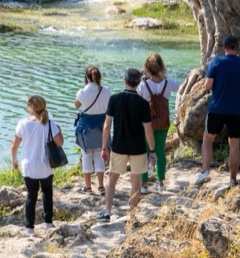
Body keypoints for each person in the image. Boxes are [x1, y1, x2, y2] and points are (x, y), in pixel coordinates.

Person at [194, 35, 240, 187]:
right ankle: (232, 180)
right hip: (236, 111)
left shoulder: (216, 62)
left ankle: (205, 171)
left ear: (224, 47)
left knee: (208, 139)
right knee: (234, 144)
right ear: (237, 48)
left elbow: (208, 85)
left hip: (216, 108)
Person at [98, 68, 155, 221]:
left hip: (119, 146)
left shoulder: (115, 99)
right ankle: (132, 216)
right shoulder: (143, 103)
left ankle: (107, 212)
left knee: (112, 178)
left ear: (125, 81)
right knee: (135, 182)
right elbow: (148, 130)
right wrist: (152, 150)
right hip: (138, 148)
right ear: (138, 83)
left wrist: (104, 147)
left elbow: (106, 126)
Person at [11, 94, 63, 235]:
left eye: (28, 106)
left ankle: (29, 227)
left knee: (31, 195)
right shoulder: (51, 124)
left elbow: (14, 145)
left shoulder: (23, 123)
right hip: (45, 165)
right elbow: (60, 143)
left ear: (33, 108)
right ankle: (48, 223)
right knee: (47, 192)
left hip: (29, 165)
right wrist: (59, 129)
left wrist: (14, 159)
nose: (28, 108)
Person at [137, 53, 181, 192]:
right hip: (163, 122)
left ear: (147, 68)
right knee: (160, 151)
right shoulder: (168, 83)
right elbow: (181, 89)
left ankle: (144, 184)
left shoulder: (143, 85)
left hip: (146, 123)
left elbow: (137, 100)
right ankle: (160, 182)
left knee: (144, 151)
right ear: (161, 66)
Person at [75, 65, 110, 194]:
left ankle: (88, 187)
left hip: (86, 129)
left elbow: (76, 104)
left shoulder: (82, 92)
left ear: (87, 78)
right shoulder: (106, 91)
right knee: (100, 155)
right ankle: (101, 186)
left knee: (86, 155)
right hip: (101, 128)